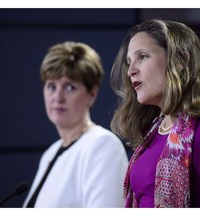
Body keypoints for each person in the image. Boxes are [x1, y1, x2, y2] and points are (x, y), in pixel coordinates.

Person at [110, 19, 200, 208]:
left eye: (143, 56)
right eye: (129, 62)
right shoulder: (153, 132)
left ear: (179, 60)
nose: (130, 71)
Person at [23, 41, 128, 207]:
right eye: (51, 86)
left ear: (92, 93)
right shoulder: (50, 154)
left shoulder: (103, 146)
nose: (57, 97)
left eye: (70, 87)